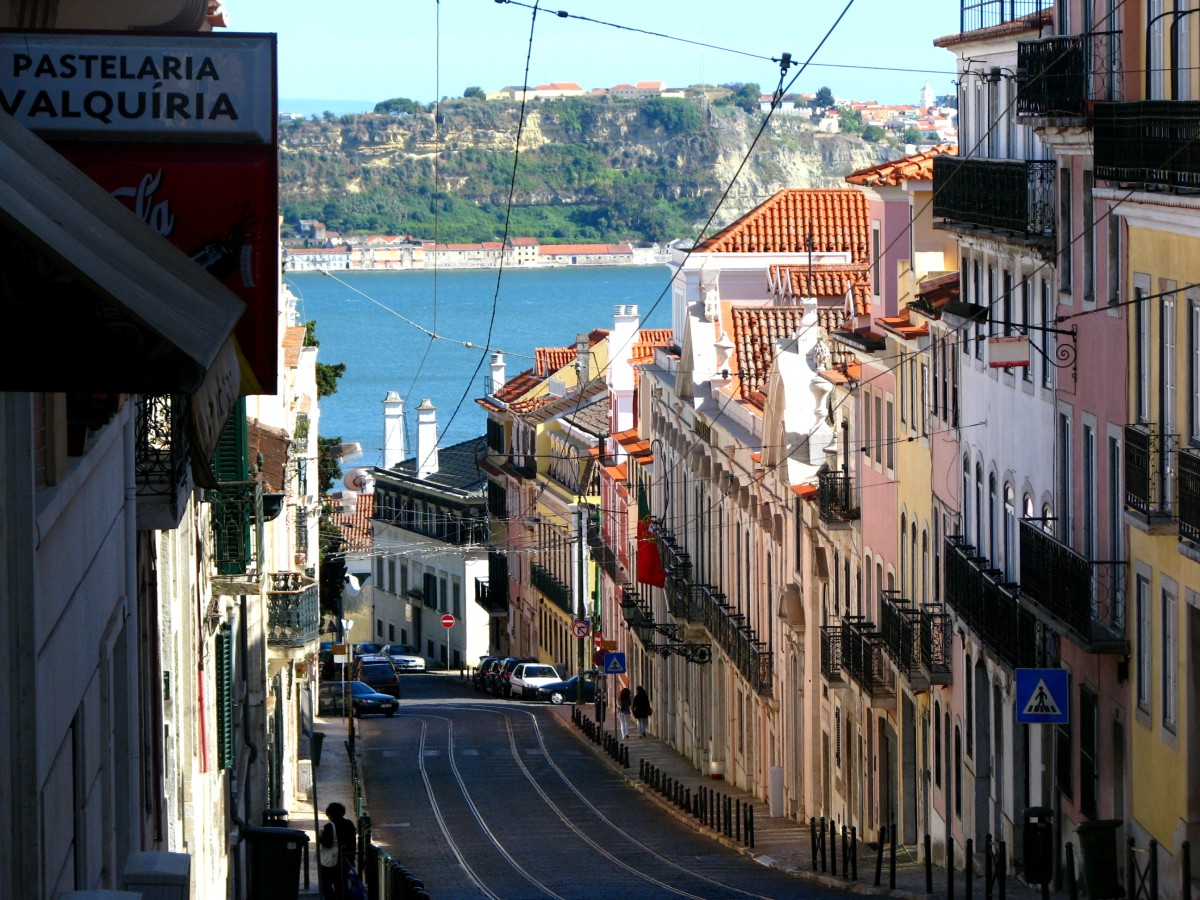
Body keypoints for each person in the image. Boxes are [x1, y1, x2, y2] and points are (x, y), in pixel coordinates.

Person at [319, 801, 357, 900]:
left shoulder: (329, 826)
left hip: (332, 860)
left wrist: (321, 836)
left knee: (325, 883)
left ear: (330, 814)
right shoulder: (349, 823)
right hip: (346, 859)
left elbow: (327, 844)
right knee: (341, 885)